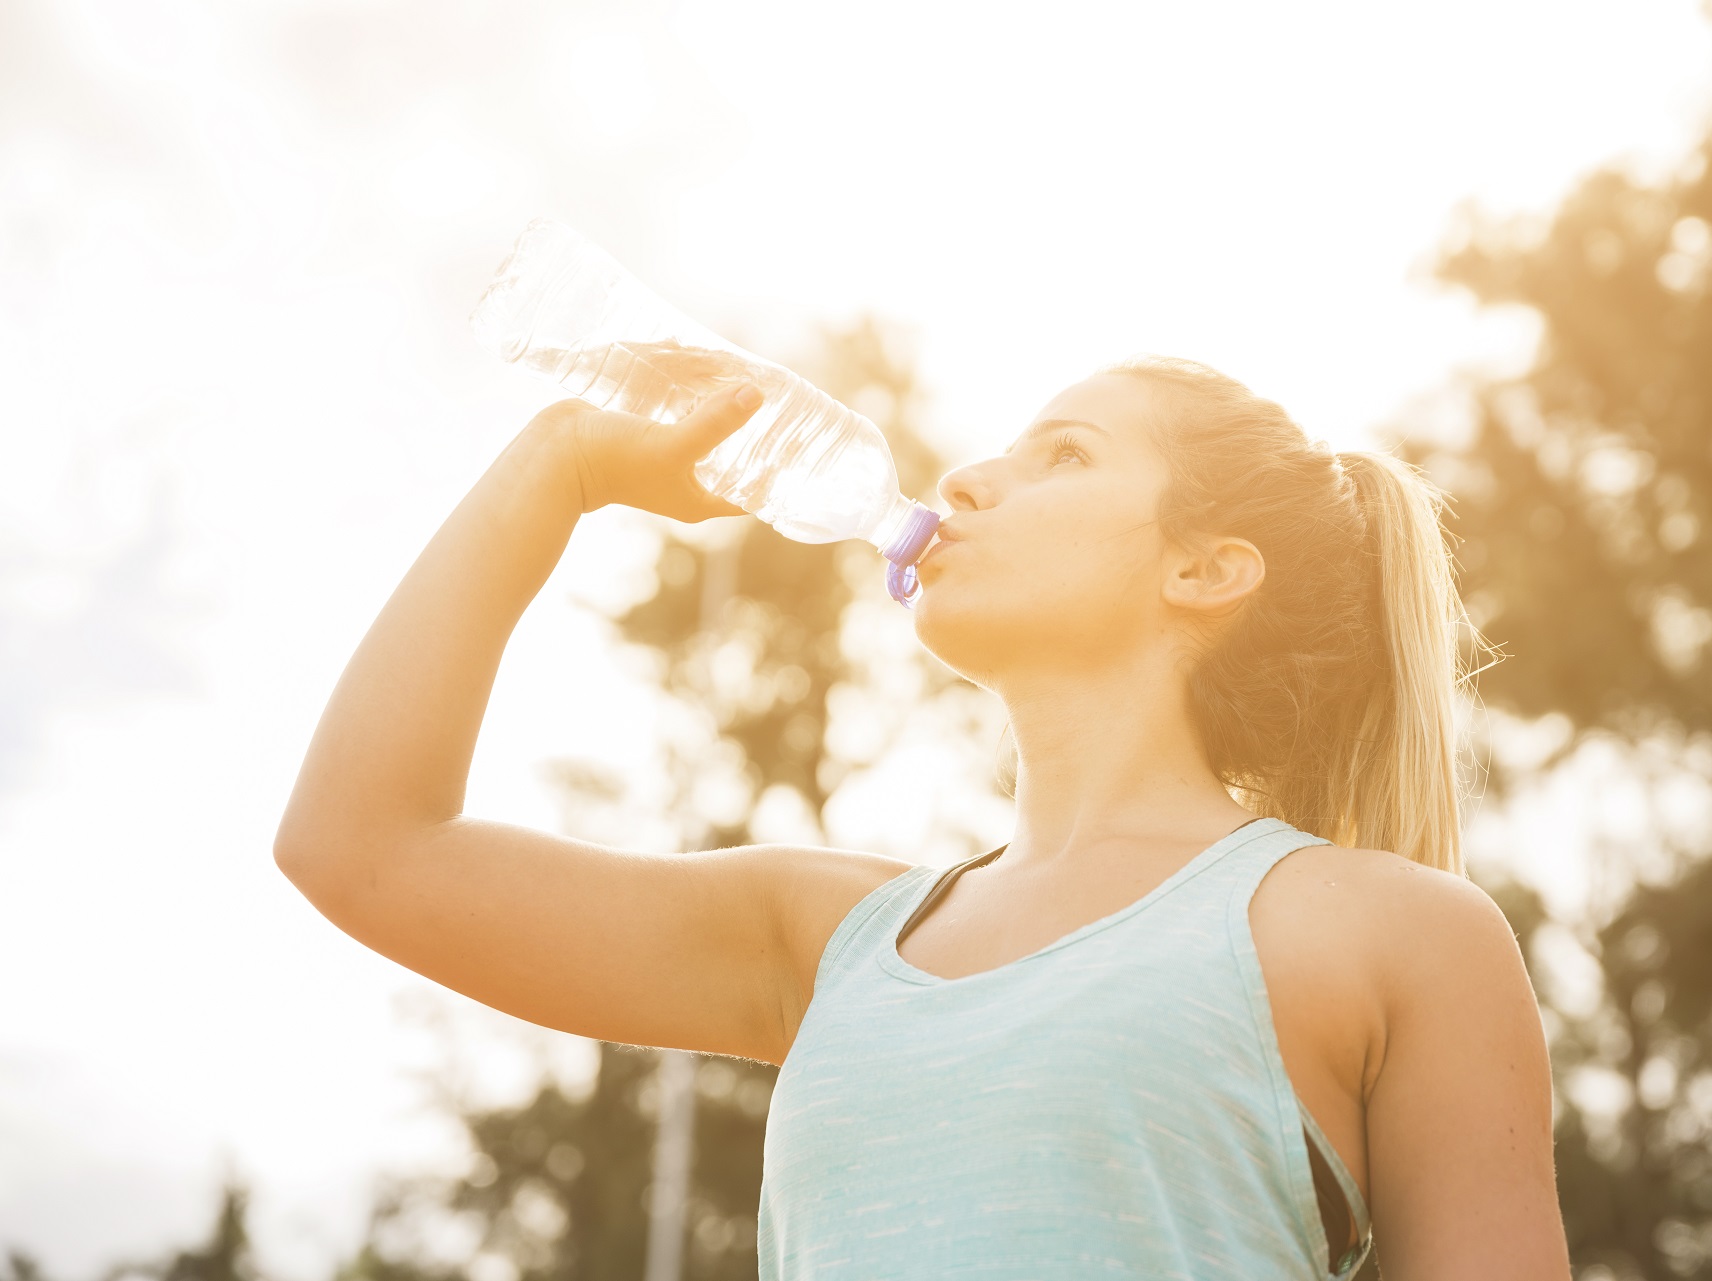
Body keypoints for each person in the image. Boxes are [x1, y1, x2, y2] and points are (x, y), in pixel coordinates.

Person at [276, 355, 1570, 1278]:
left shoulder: (1391, 934)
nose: (967, 476)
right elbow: (362, 846)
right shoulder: (826, 935)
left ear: (1206, 566)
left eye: (1065, 453)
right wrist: (558, 462)